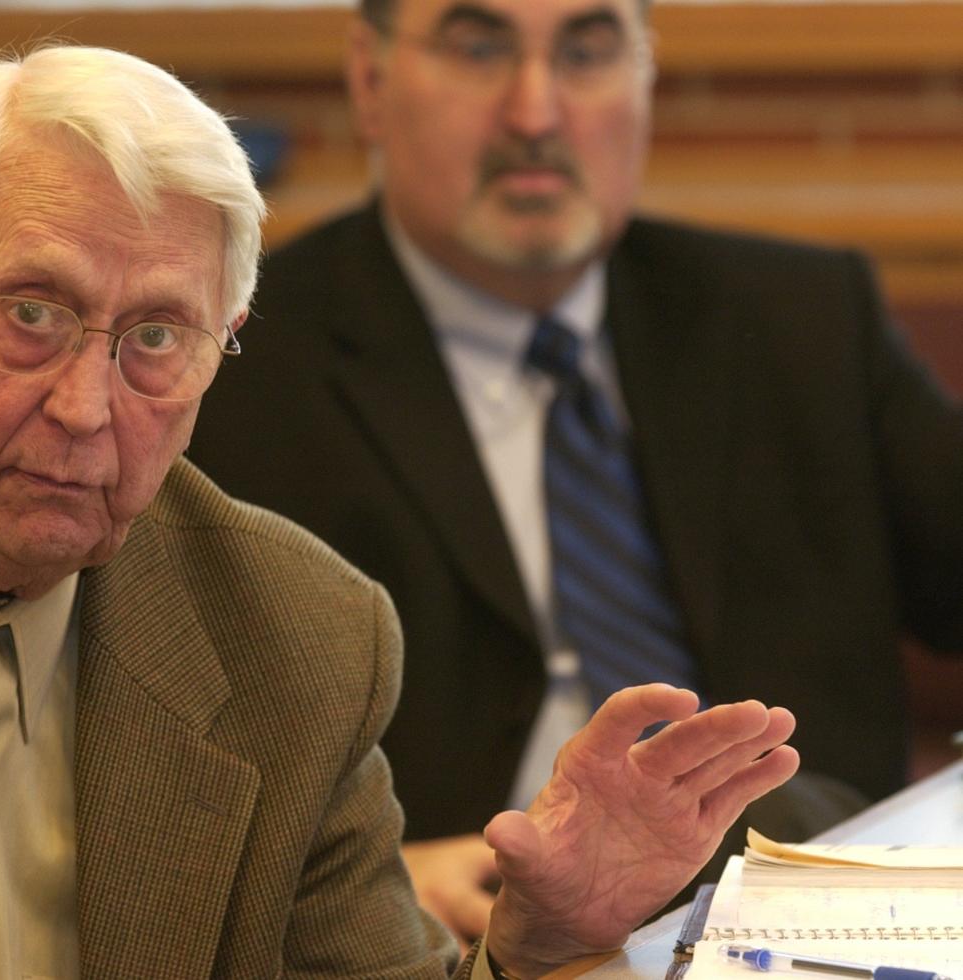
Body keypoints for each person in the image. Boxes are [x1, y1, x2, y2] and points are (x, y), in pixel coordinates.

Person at [0, 43, 801, 980]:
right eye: (31, 313)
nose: (85, 408)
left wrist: (535, 938)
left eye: (155, 338)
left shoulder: (298, 643)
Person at [186, 0, 963, 946]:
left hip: (809, 936)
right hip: (451, 943)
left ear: (643, 77)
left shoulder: (800, 320)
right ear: (371, 77)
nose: (535, 113)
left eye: (587, 51)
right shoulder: (230, 363)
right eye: (479, 47)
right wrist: (358, 877)